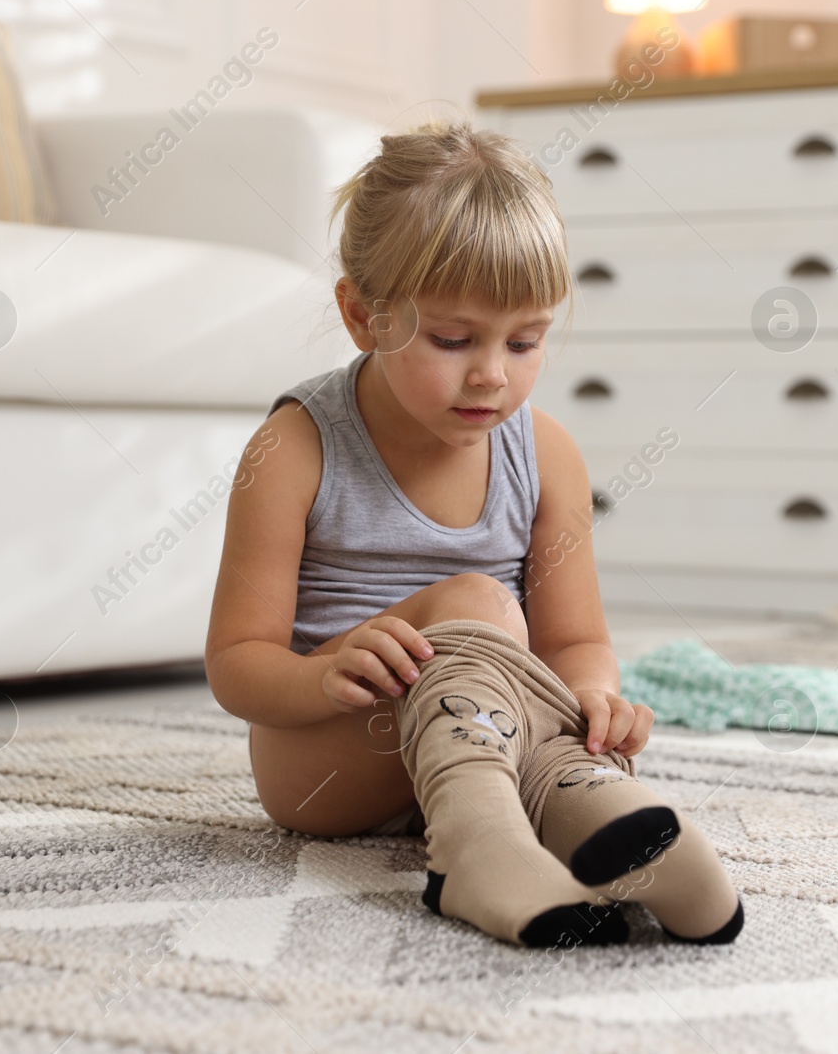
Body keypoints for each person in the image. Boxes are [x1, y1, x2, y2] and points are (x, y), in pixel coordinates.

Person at [204, 118, 741, 949]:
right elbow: (236, 664)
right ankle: (476, 851)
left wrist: (594, 696)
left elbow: (574, 639)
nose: (493, 372)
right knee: (478, 602)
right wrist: (324, 678)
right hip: (332, 759)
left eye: (526, 340)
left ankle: (609, 821)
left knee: (540, 702)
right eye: (454, 339)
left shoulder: (546, 452)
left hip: (495, 739)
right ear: (362, 315)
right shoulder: (295, 445)